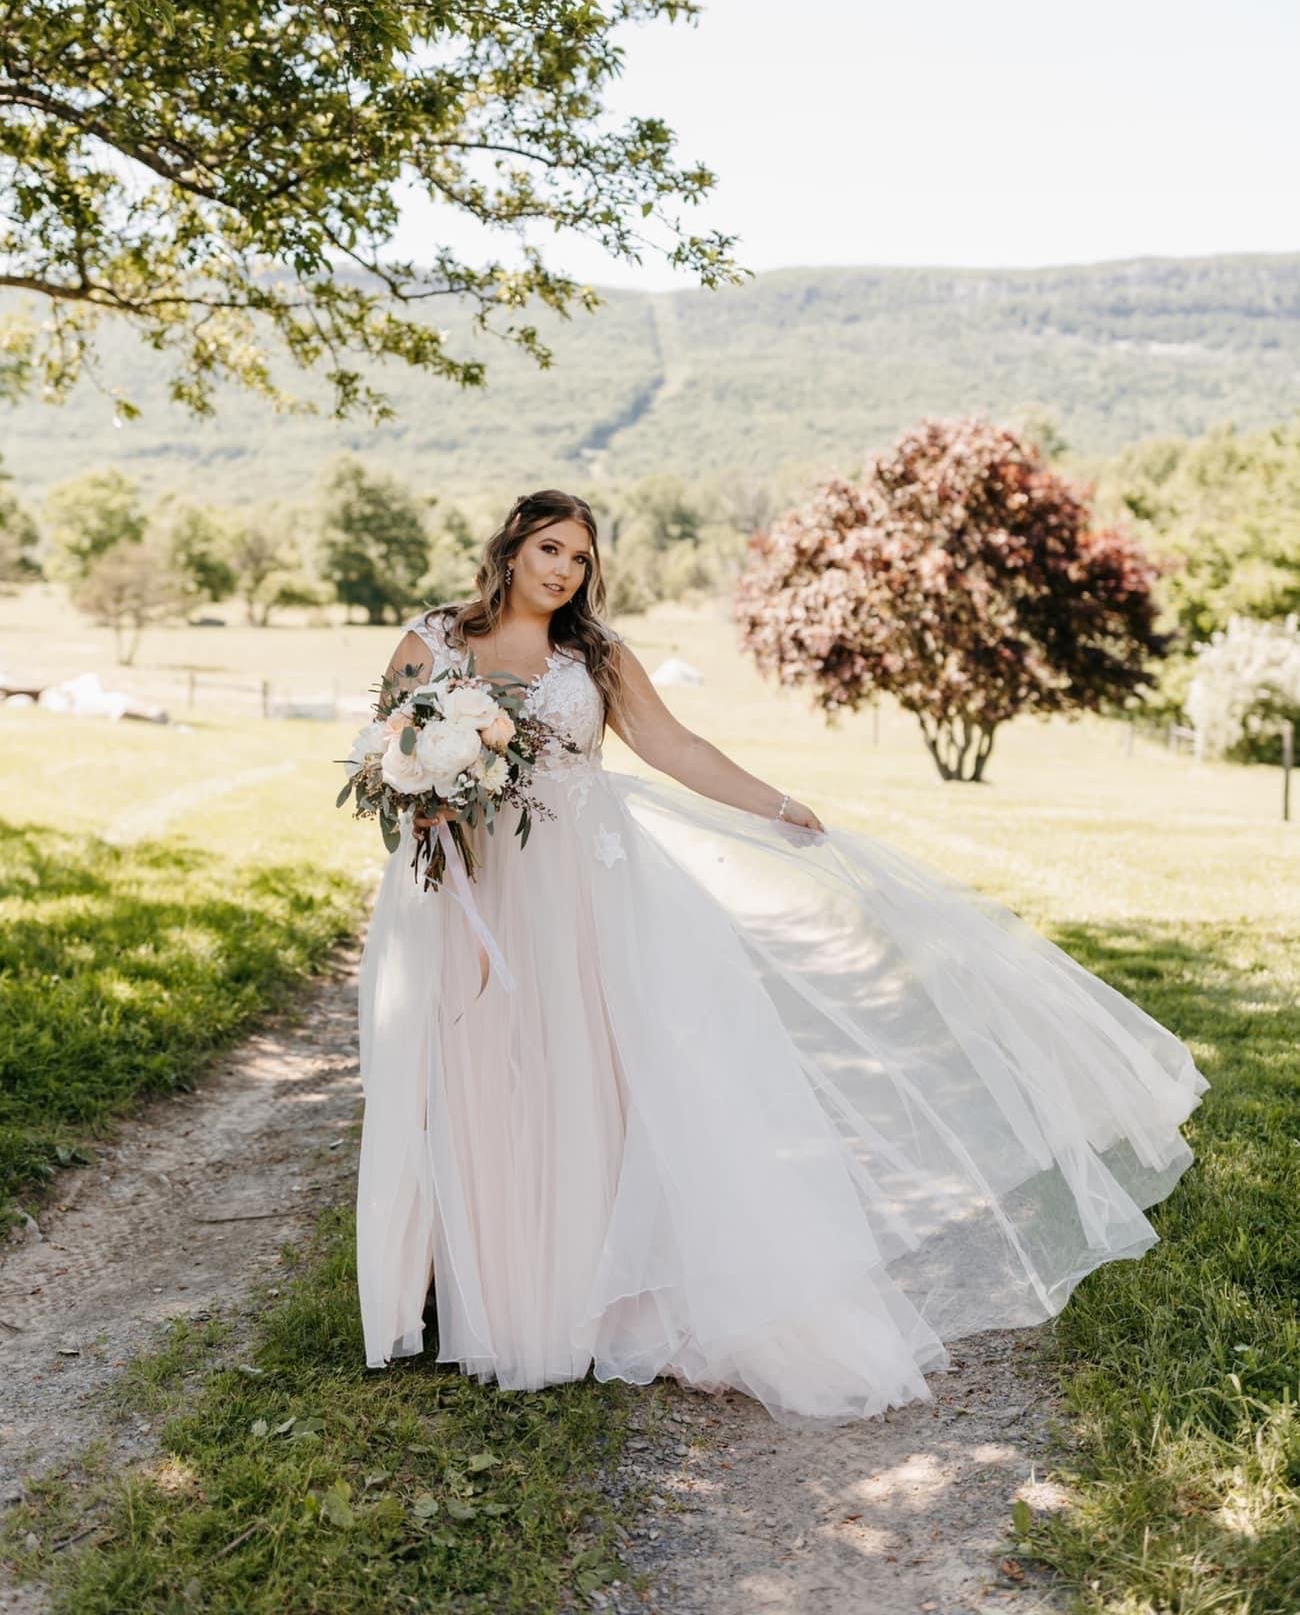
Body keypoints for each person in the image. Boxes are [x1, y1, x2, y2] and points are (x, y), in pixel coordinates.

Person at [355, 489, 1206, 1425]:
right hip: (474, 887)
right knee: (481, 1076)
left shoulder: (592, 656)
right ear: (511, 547)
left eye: (581, 559)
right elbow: (380, 750)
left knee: (587, 1078)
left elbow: (674, 745)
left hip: (579, 889)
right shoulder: (433, 638)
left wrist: (773, 801)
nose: (563, 571)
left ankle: (594, 1300)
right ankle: (504, 1300)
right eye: (550, 549)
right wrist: (422, 790)